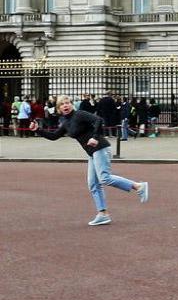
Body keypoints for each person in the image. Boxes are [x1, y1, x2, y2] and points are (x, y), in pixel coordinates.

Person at [30, 95, 149, 226]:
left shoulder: (79, 114)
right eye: (62, 104)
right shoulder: (66, 122)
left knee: (104, 178)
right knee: (93, 184)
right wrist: (38, 130)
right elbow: (53, 136)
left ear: (72, 104)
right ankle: (103, 214)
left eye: (67, 103)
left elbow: (99, 120)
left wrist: (95, 137)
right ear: (58, 108)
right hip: (92, 153)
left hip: (100, 148)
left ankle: (138, 186)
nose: (65, 105)